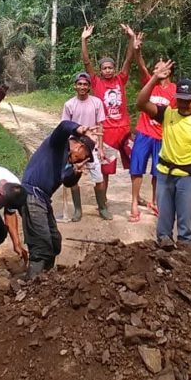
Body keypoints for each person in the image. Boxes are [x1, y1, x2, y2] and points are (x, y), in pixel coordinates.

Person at [136, 60, 191, 250]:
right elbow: (141, 103)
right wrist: (154, 80)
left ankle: (186, 254)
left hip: (186, 177)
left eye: (187, 99)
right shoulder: (167, 114)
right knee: (163, 225)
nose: (182, 103)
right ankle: (163, 254)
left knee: (186, 224)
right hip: (164, 174)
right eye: (180, 99)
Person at [20, 120, 101, 277]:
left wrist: (76, 173)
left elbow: (67, 181)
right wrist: (80, 128)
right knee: (41, 245)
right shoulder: (58, 144)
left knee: (54, 242)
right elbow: (64, 126)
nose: (81, 159)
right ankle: (32, 283)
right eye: (84, 156)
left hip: (42, 199)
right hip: (32, 196)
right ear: (79, 147)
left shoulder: (68, 161)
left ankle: (44, 278)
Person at [81, 24, 136, 207]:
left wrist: (131, 38)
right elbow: (87, 63)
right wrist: (84, 40)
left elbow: (129, 59)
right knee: (105, 169)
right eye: (104, 68)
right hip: (107, 133)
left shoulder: (120, 79)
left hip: (124, 130)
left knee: (136, 162)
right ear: (101, 70)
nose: (108, 71)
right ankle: (102, 201)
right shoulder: (96, 82)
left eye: (110, 67)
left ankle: (137, 197)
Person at [129, 28, 175, 223]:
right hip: (143, 133)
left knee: (158, 171)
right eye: (156, 68)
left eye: (161, 68)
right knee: (137, 168)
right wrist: (137, 49)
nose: (158, 71)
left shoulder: (174, 90)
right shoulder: (151, 83)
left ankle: (155, 201)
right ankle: (133, 203)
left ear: (170, 70)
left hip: (162, 135)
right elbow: (140, 66)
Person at [60, 72, 110, 220]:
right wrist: (68, 149)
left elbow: (100, 125)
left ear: (89, 86)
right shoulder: (69, 104)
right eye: (79, 84)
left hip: (92, 146)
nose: (82, 87)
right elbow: (65, 126)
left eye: (85, 84)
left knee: (99, 178)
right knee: (74, 178)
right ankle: (77, 210)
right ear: (75, 86)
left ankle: (102, 207)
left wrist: (100, 147)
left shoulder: (96, 103)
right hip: (75, 147)